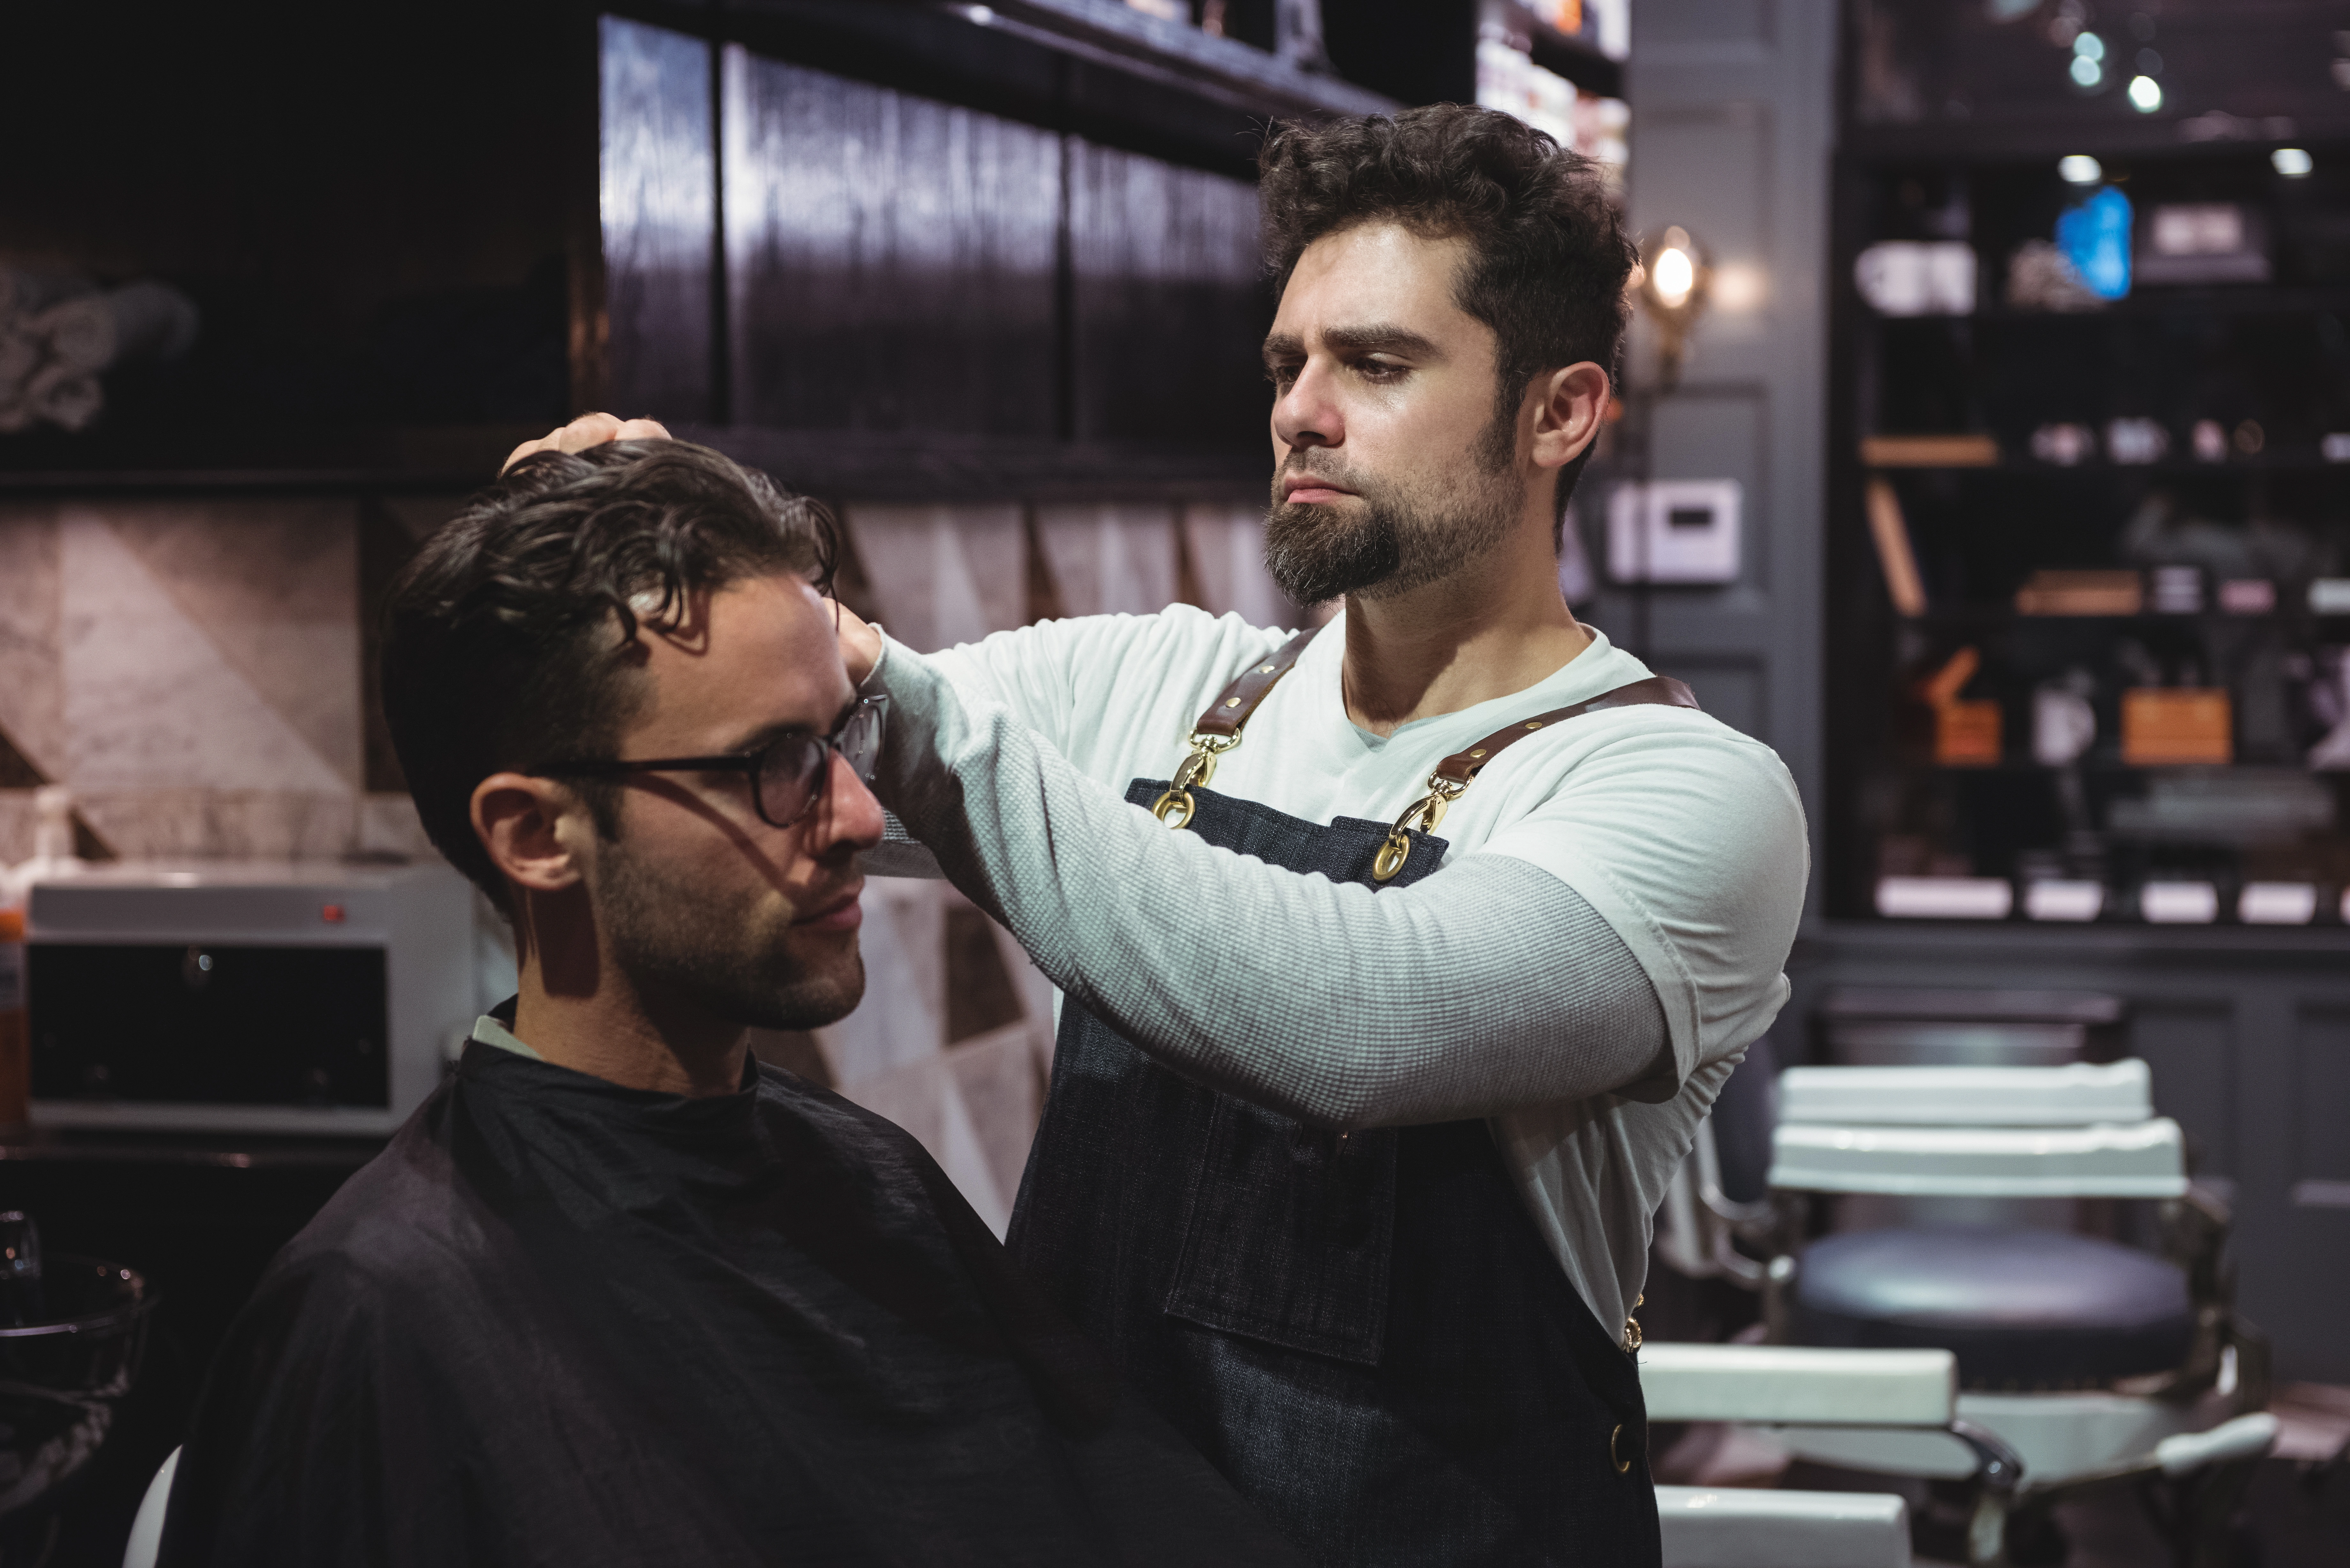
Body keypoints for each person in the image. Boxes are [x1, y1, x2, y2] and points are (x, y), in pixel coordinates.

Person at [524, 106, 1807, 1565]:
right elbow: (806, 745)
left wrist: (878, 672)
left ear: (1558, 411)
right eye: (1288, 363)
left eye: (1375, 365)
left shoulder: (1677, 788)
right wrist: (679, 584)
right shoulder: (1155, 687)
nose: (1299, 411)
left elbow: (1359, 1023)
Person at [157, 441, 1299, 1567]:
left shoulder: (872, 1184)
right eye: (770, 763)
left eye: (837, 738)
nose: (858, 818)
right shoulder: (380, 1316)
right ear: (537, 835)